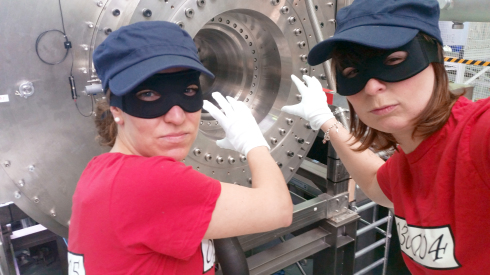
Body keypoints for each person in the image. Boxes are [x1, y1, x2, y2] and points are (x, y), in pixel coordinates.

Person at [281, 0, 490, 274]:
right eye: (352, 72)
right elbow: (372, 181)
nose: (371, 86)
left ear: (434, 54)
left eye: (393, 60)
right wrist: (325, 121)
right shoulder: (407, 166)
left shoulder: (479, 134)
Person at [67, 21, 293, 274]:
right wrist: (253, 143)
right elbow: (278, 210)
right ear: (116, 109)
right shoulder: (149, 182)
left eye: (188, 90)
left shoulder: (102, 170)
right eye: (149, 95)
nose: (177, 117)